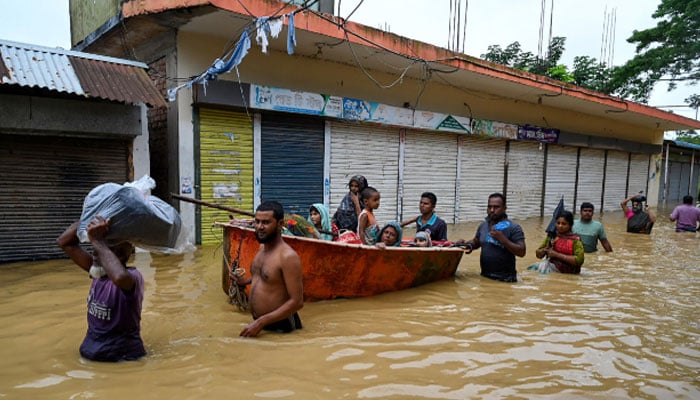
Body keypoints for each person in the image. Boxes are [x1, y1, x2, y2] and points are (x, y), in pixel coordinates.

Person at [56, 217, 146, 362]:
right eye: (94, 249)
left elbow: (119, 277)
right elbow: (65, 243)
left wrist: (98, 241)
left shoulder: (132, 277)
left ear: (121, 254)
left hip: (121, 360)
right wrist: (89, 217)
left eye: (100, 250)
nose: (94, 254)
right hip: (90, 355)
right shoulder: (97, 272)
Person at [234, 201, 304, 337]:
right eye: (257, 222)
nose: (259, 227)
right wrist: (244, 282)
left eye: (266, 223)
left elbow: (297, 302)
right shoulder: (262, 249)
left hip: (282, 328)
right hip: (260, 324)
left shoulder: (288, 257)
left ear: (280, 224)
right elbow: (264, 276)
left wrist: (261, 322)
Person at [456, 193, 526, 282]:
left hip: (505, 280)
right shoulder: (483, 225)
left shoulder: (514, 228)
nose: (492, 210)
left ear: (504, 208)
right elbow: (477, 241)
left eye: (496, 207)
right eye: (489, 207)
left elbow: (522, 252)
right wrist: (465, 245)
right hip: (484, 278)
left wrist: (503, 239)